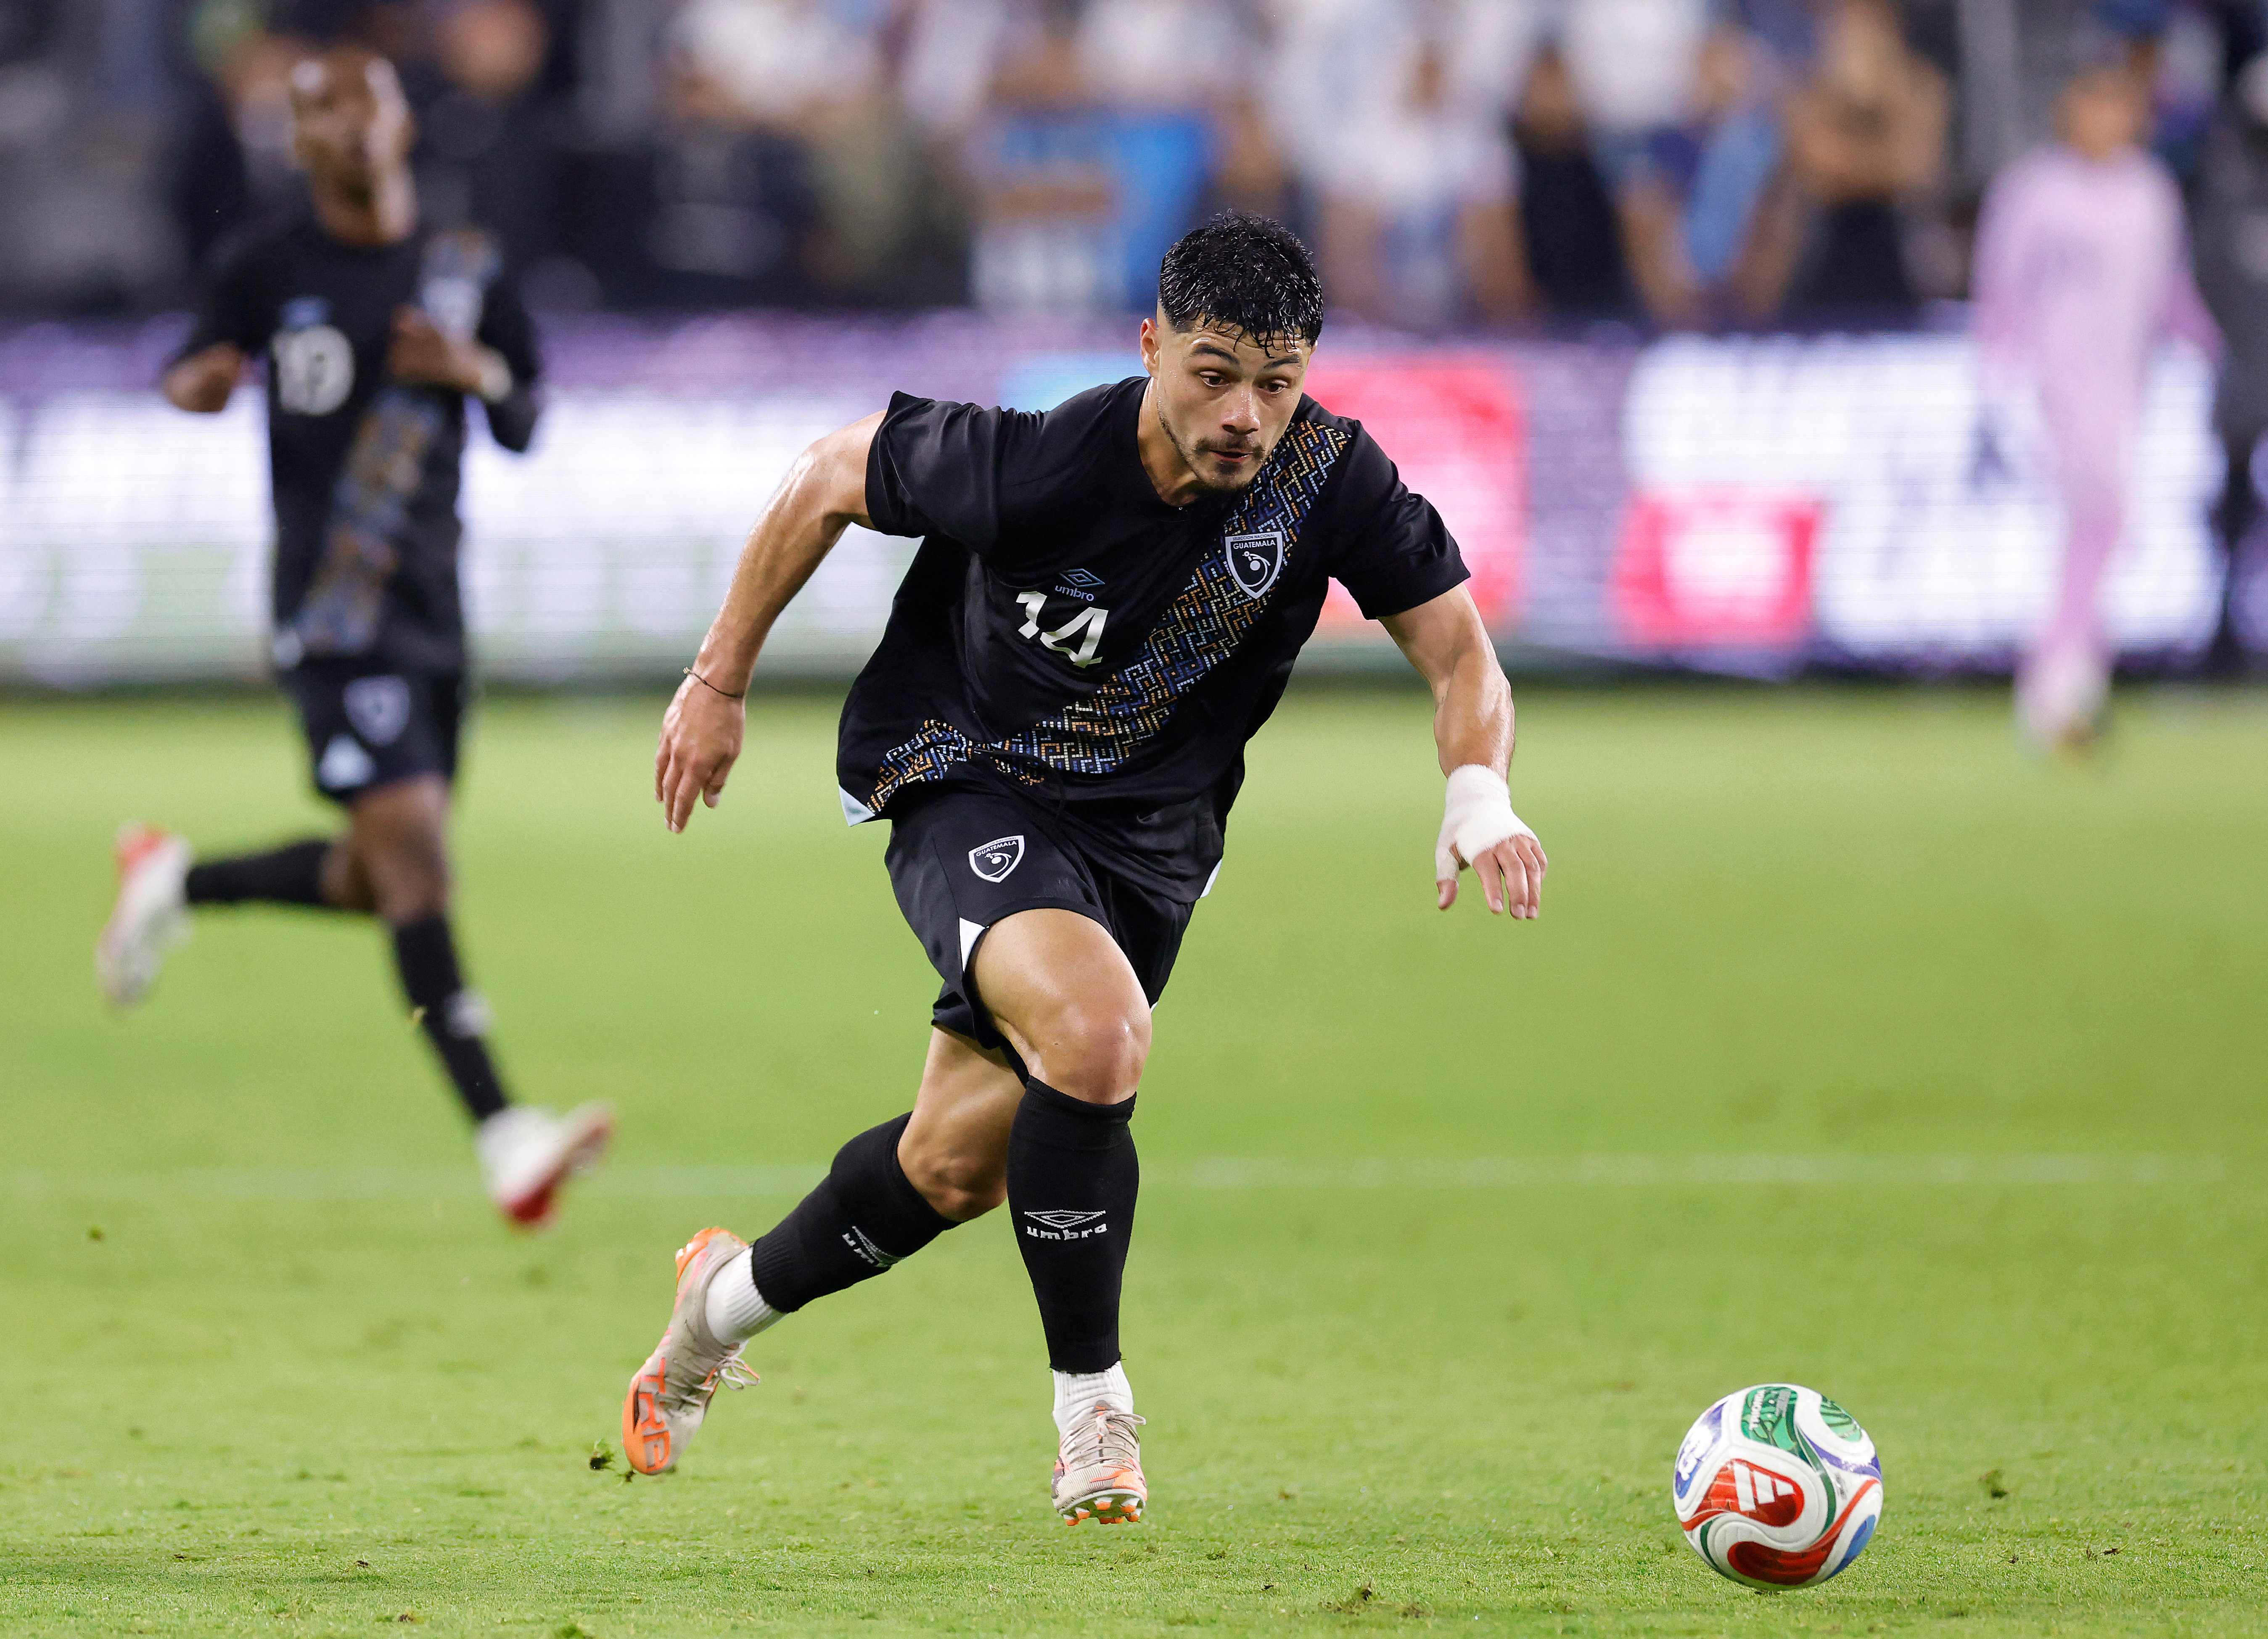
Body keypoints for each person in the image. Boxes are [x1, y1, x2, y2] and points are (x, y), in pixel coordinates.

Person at [619, 212, 1549, 1524]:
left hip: (1151, 848)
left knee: (954, 1165)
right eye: (1213, 373)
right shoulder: (1038, 463)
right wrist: (717, 679)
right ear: (1152, 344)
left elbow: (1462, 655)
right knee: (1100, 1034)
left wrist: (1476, 790)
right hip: (964, 771)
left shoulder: (1329, 480)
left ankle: (709, 1315)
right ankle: (1091, 1410)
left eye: (1275, 383)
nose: (1243, 414)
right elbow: (826, 474)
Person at [97, 45, 611, 1229]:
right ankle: (504, 1131)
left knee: (385, 874)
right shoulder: (265, 262)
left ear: (396, 121)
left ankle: (178, 878)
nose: (341, 124)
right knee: (419, 860)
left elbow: (530, 413)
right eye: (315, 109)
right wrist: (207, 383)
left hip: (435, 606)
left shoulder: (466, 264)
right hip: (333, 607)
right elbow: (184, 371)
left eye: (359, 101)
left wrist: (475, 368)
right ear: (297, 140)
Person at [1972, 46, 2221, 749]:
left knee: (2104, 527)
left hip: (2123, 386)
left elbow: (2170, 292)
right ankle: (2055, 678)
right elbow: (2000, 290)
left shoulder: (2149, 192)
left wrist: (2210, 348)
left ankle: (2073, 675)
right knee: (2098, 517)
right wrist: (1996, 380)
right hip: (2050, 385)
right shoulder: (2032, 190)